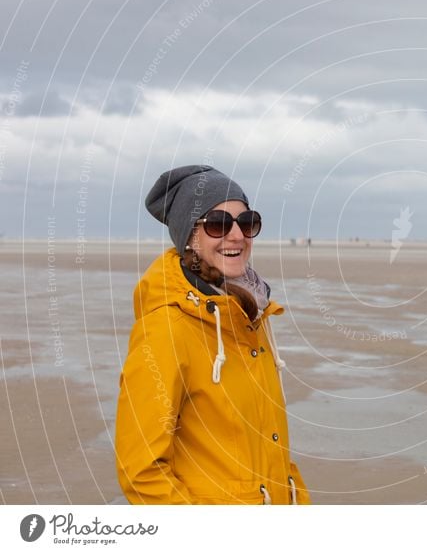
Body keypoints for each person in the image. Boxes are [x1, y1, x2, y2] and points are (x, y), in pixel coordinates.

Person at [115, 165, 310, 505]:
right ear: (190, 237)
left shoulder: (250, 316)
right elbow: (142, 470)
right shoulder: (167, 329)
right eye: (218, 224)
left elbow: (271, 446)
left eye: (246, 222)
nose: (237, 235)